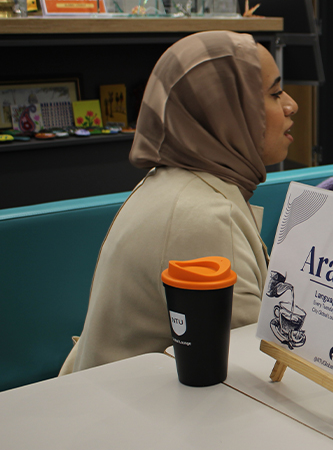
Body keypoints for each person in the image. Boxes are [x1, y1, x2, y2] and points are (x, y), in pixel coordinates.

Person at [60, 30, 297, 374]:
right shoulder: (204, 217)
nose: (292, 104)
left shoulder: (179, 183)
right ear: (226, 111)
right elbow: (252, 369)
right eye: (275, 93)